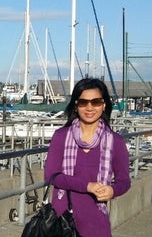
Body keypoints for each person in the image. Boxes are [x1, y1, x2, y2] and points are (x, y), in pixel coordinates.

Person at [44, 78, 131, 237]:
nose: (89, 107)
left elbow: (124, 181)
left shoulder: (115, 141)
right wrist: (88, 186)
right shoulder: (60, 136)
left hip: (96, 225)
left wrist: (113, 190)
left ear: (104, 105)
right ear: (76, 106)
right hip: (60, 223)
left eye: (96, 102)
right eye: (83, 102)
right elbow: (51, 176)